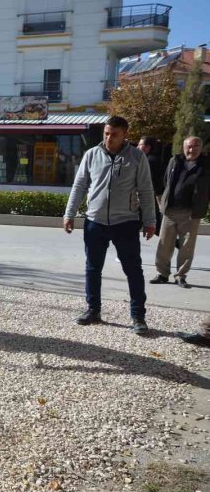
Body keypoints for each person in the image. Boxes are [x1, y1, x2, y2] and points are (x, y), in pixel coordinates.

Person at [62, 115, 156, 335]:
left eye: (114, 134)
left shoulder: (137, 157)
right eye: (106, 133)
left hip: (126, 222)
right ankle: (93, 310)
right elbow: (79, 186)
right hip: (95, 221)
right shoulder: (92, 155)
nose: (109, 138)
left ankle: (138, 316)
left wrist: (150, 221)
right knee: (93, 268)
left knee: (133, 270)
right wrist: (69, 213)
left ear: (125, 135)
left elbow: (146, 190)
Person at [150, 136, 210, 289]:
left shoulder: (206, 165)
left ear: (201, 148)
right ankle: (162, 274)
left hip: (191, 212)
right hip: (171, 210)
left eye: (196, 146)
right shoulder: (175, 161)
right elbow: (166, 181)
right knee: (164, 244)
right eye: (189, 146)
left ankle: (181, 276)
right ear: (184, 148)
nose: (192, 149)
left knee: (187, 246)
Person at [137, 136, 165, 232]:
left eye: (140, 145)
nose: (137, 147)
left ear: (148, 147)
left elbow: (154, 180)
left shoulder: (150, 161)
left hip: (148, 196)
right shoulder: (151, 159)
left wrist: (158, 197)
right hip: (149, 196)